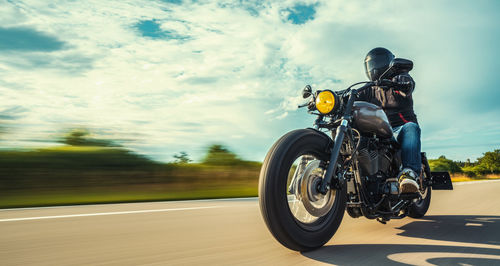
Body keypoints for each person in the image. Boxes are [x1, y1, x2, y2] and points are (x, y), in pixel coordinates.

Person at [358, 47, 421, 194]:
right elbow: (352, 98)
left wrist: (404, 80)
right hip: (379, 130)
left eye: (378, 63)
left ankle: (409, 173)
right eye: (372, 64)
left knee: (411, 127)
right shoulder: (369, 89)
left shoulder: (399, 81)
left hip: (400, 128)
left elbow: (408, 85)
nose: (374, 67)